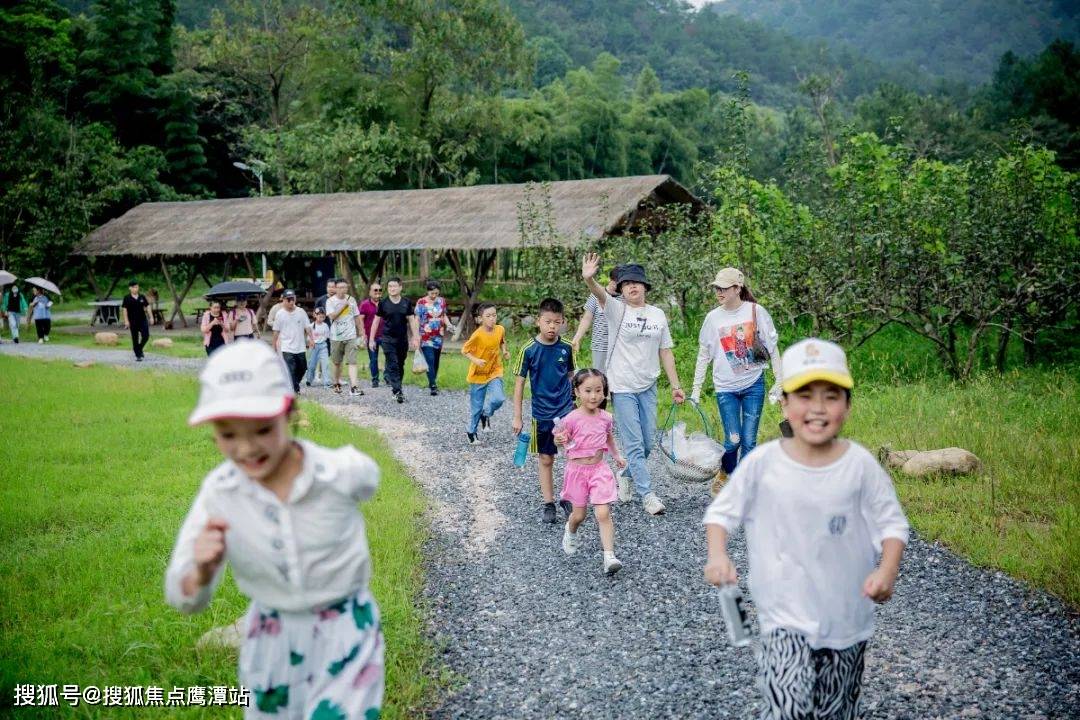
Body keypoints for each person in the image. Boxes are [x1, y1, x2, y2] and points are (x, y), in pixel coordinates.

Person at [165, 341, 384, 720]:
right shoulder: (220, 494)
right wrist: (202, 568)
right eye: (228, 435)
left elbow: (370, 478)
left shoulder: (340, 471)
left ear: (290, 413)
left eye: (262, 429)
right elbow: (185, 598)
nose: (247, 448)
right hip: (270, 637)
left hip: (346, 631)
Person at [703, 338, 908, 720]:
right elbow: (721, 514)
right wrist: (718, 555)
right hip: (783, 615)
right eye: (803, 396)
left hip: (848, 618)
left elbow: (892, 524)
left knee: (837, 708)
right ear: (784, 403)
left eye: (831, 396)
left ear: (847, 406)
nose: (817, 408)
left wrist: (887, 571)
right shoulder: (763, 464)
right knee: (787, 707)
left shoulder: (860, 466)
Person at [581, 254, 684, 516]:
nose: (632, 287)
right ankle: (647, 494)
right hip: (622, 385)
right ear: (621, 288)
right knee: (635, 444)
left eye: (637, 283)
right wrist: (589, 278)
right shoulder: (616, 310)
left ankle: (626, 473)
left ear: (645, 287)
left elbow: (666, 351)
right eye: (626, 283)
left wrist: (675, 385)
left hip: (648, 384)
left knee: (648, 441)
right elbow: (600, 295)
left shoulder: (658, 314)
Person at [691, 267, 782, 496]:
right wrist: (696, 389)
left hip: (754, 385)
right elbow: (704, 355)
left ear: (737, 288)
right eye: (716, 288)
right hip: (725, 388)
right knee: (733, 440)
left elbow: (773, 348)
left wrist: (780, 381)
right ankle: (724, 472)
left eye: (723, 288)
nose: (719, 292)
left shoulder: (756, 311)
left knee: (749, 441)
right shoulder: (713, 318)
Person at [554, 369, 627, 575]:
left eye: (598, 390)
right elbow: (559, 438)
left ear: (604, 392)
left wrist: (617, 456)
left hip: (599, 470)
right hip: (577, 472)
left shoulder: (606, 418)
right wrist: (558, 440)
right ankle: (570, 529)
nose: (593, 396)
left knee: (603, 512)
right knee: (579, 515)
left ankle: (609, 556)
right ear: (577, 391)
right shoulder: (570, 418)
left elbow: (609, 438)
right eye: (587, 390)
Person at [512, 297, 576, 524]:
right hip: (541, 415)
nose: (552, 326)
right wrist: (518, 416)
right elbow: (519, 384)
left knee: (572, 456)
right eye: (548, 321)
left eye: (556, 322)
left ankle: (568, 496)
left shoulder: (567, 347)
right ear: (538, 321)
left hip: (567, 412)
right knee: (546, 459)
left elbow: (572, 377)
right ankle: (548, 503)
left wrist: (579, 408)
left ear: (562, 322)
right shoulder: (528, 350)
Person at [461, 303, 510, 444]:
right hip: (478, 374)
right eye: (488, 316)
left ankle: (486, 413)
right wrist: (475, 360)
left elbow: (502, 342)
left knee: (499, 398)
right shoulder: (477, 335)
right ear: (480, 318)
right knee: (476, 407)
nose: (492, 319)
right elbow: (464, 350)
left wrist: (505, 351)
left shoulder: (500, 329)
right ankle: (471, 432)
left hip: (495, 370)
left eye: (494, 315)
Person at [369, 277, 418, 404]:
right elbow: (376, 321)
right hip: (387, 339)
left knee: (400, 364)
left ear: (400, 287)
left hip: (402, 339)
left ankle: (397, 388)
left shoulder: (406, 302)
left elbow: (411, 320)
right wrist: (371, 339)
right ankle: (397, 391)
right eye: (390, 286)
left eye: (395, 286)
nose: (392, 288)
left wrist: (415, 337)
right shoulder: (383, 303)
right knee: (393, 364)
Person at [569, 266, 622, 370]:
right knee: (600, 377)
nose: (617, 285)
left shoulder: (625, 298)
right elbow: (587, 318)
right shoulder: (596, 294)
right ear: (611, 279)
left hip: (619, 346)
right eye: (615, 282)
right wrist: (577, 338)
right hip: (600, 345)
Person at [326, 279, 365, 397]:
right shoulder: (330, 301)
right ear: (336, 288)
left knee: (352, 361)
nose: (343, 290)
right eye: (340, 287)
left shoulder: (351, 300)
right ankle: (336, 383)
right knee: (337, 363)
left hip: (350, 335)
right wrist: (343, 307)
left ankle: (354, 387)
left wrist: (362, 332)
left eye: (345, 287)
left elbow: (357, 317)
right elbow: (332, 316)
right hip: (336, 337)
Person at [271, 290, 314, 393]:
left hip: (300, 346)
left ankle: (294, 383)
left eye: (293, 299)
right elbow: (276, 331)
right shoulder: (280, 314)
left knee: (302, 368)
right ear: (283, 300)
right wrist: (274, 346)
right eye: (288, 300)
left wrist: (312, 339)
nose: (291, 302)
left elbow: (307, 327)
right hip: (286, 347)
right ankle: (295, 389)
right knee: (291, 369)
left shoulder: (301, 312)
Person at [415, 280, 452, 396]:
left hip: (438, 335)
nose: (434, 295)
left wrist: (449, 324)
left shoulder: (442, 301)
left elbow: (444, 315)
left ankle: (432, 380)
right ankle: (433, 385)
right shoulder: (421, 302)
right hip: (425, 335)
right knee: (429, 359)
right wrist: (416, 335)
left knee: (436, 360)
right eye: (432, 293)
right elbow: (417, 319)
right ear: (428, 291)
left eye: (436, 293)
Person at [358, 283, 383, 388]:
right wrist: (363, 334)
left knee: (390, 357)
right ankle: (375, 380)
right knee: (373, 359)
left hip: (385, 335)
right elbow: (360, 320)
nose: (377, 292)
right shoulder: (364, 304)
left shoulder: (385, 303)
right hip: (371, 336)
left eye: (380, 290)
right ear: (370, 292)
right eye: (375, 290)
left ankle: (388, 377)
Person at [121, 280, 150, 360]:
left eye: (137, 287)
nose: (136, 289)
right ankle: (138, 355)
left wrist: (151, 317)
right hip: (132, 321)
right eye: (134, 287)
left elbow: (147, 306)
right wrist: (126, 321)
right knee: (135, 338)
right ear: (130, 288)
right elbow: (124, 310)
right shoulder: (126, 298)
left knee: (146, 336)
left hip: (143, 320)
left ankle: (139, 349)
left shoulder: (142, 297)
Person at [305, 307, 332, 388]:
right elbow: (309, 338)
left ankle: (327, 382)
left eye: (323, 317)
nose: (321, 318)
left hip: (323, 346)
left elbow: (328, 336)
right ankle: (309, 379)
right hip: (314, 347)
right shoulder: (311, 326)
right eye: (320, 316)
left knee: (325, 363)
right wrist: (311, 343)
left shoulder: (325, 326)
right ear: (315, 315)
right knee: (311, 365)